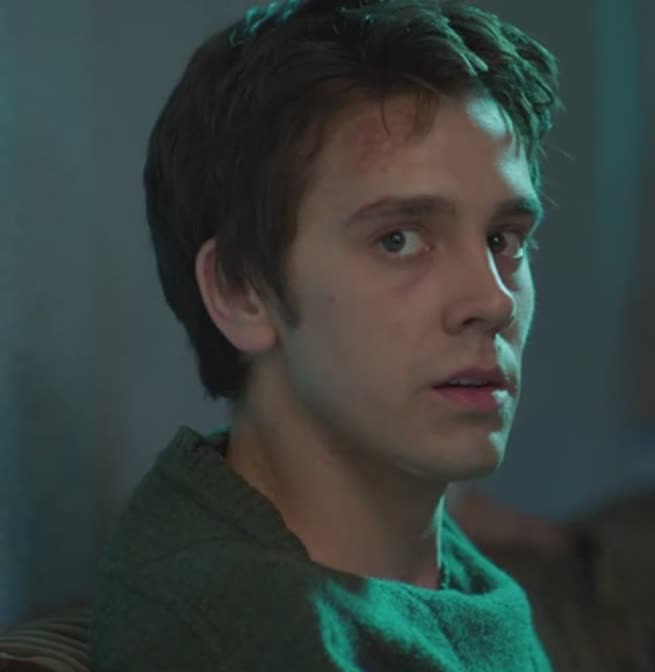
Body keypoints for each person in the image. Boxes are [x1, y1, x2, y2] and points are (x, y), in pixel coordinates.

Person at [88, 1, 563, 670]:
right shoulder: (249, 632)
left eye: (503, 240)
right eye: (399, 240)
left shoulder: (425, 559)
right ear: (241, 290)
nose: (492, 301)